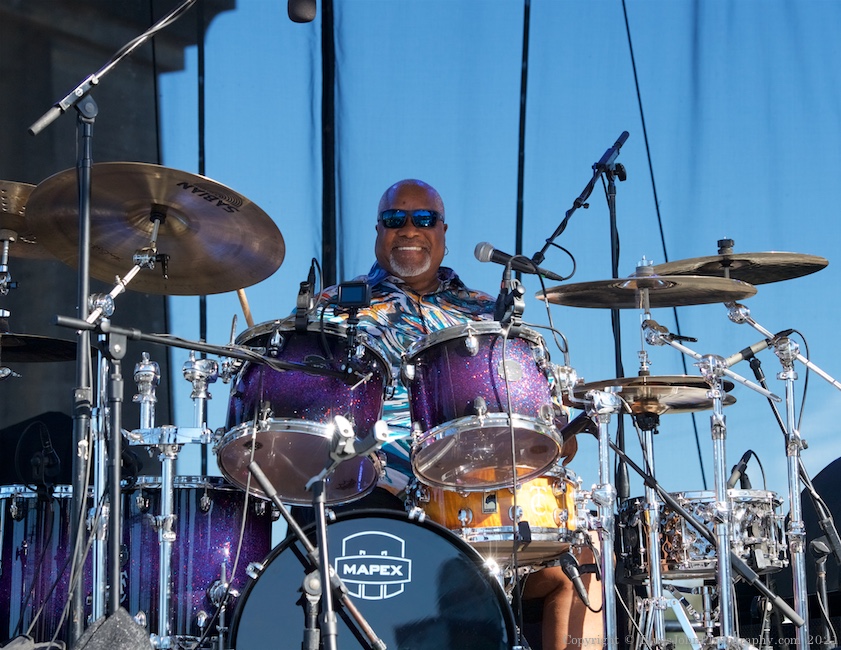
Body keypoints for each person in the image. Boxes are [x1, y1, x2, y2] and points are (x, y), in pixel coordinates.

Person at [305, 178, 603, 650]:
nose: (409, 229)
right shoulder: (338, 308)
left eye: (423, 219)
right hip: (381, 485)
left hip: (480, 490)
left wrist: (554, 423)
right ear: (378, 231)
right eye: (395, 219)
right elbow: (309, 406)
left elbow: (538, 414)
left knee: (579, 562)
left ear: (443, 231)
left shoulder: (487, 312)